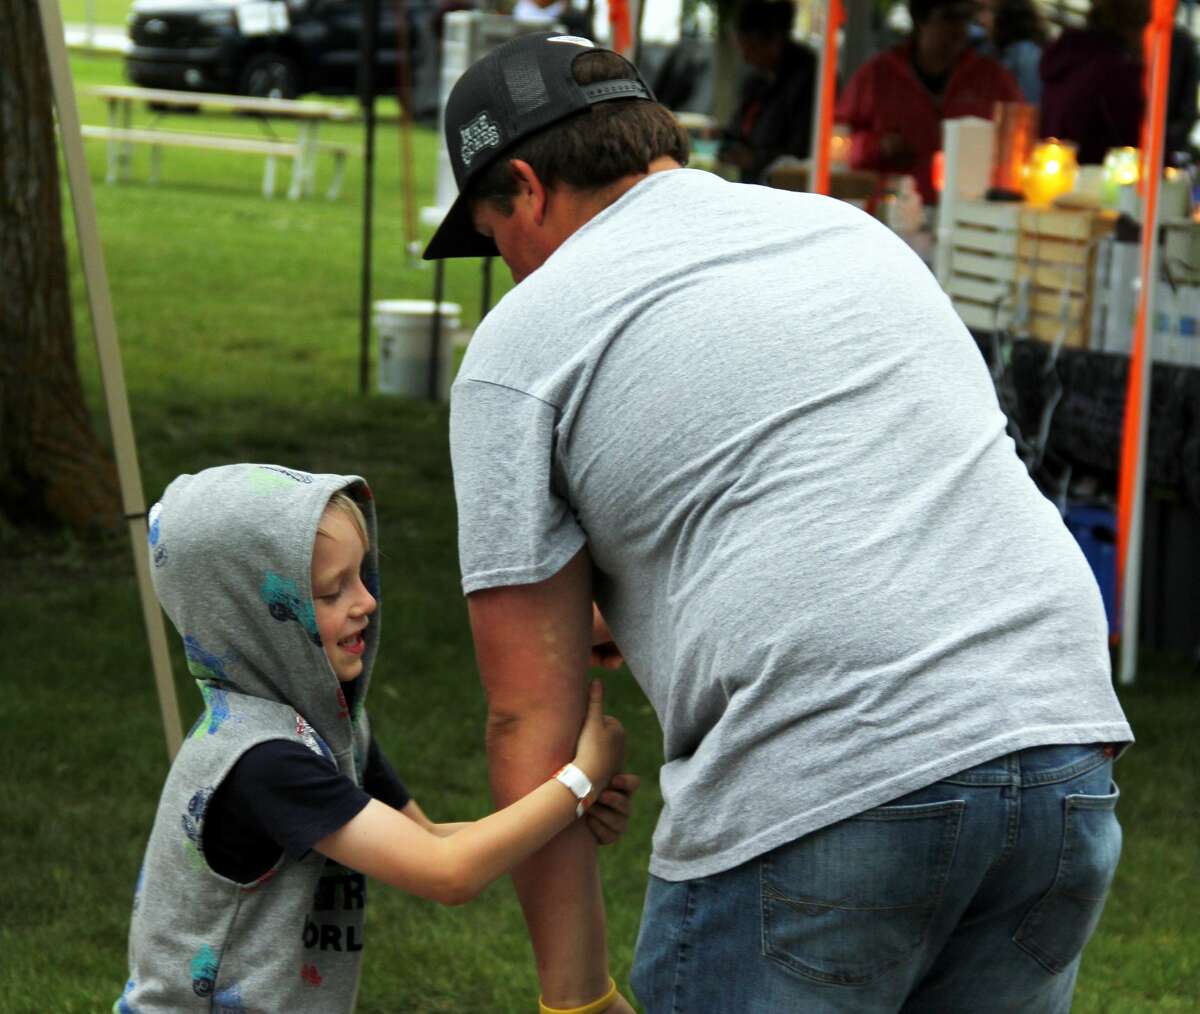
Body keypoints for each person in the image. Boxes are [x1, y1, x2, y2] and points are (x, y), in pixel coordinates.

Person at [424, 31, 1134, 1014]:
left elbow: (527, 717)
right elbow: (872, 485)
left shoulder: (521, 344)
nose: (506, 270)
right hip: (1059, 741)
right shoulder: (844, 232)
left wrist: (575, 997)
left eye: (493, 237)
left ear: (526, 188)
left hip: (824, 774)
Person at [114, 462, 634, 1012]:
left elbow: (429, 840)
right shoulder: (261, 762)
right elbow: (448, 873)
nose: (366, 602)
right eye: (332, 591)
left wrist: (566, 810)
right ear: (254, 619)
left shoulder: (333, 730)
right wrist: (579, 782)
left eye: (362, 576)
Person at [836, 0, 1022, 202]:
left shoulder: (992, 79)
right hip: (892, 211)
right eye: (948, 18)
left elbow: (1017, 142)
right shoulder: (877, 76)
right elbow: (837, 145)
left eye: (965, 19)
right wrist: (877, 146)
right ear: (921, 20)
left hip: (969, 214)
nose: (958, 29)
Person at [717, 0, 817, 183]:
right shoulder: (758, 79)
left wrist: (755, 159)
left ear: (772, 41)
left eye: (747, 45)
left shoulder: (807, 79)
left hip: (786, 184)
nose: (743, 53)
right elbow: (738, 128)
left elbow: (802, 147)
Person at [1039, 0, 1148, 165]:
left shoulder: (1071, 58)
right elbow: (1137, 143)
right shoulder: (1115, 72)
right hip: (1094, 183)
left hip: (1054, 172)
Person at [975, 0, 1050, 103]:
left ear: (1006, 18)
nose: (981, 20)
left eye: (990, 12)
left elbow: (1027, 106)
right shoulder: (989, 45)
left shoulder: (1026, 55)